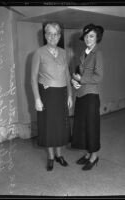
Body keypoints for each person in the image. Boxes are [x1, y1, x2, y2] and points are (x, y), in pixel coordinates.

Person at [31, 22, 73, 171]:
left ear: (59, 36)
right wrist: (37, 98)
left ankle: (59, 155)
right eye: (49, 33)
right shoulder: (39, 53)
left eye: (55, 34)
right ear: (45, 35)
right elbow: (33, 77)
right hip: (47, 95)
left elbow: (67, 75)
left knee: (60, 126)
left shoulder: (63, 52)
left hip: (61, 94)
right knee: (49, 127)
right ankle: (50, 157)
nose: (52, 36)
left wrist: (69, 95)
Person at [71, 23, 104, 170]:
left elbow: (98, 77)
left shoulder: (98, 54)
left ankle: (94, 156)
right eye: (86, 36)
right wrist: (74, 81)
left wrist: (80, 79)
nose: (88, 39)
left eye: (91, 36)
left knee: (92, 127)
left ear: (97, 38)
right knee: (82, 126)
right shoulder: (83, 54)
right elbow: (78, 73)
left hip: (91, 96)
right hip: (81, 95)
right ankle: (87, 153)